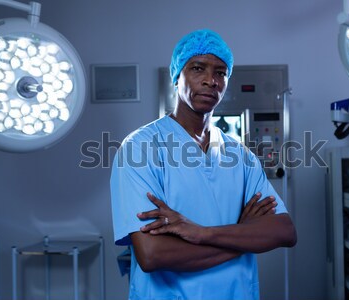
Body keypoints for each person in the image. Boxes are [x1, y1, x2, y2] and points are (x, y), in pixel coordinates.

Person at [110, 29, 297, 300]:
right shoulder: (140, 148)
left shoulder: (241, 155)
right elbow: (152, 255)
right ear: (177, 76)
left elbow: (284, 231)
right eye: (198, 68)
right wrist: (242, 236)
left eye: (221, 72)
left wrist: (199, 233)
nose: (211, 80)